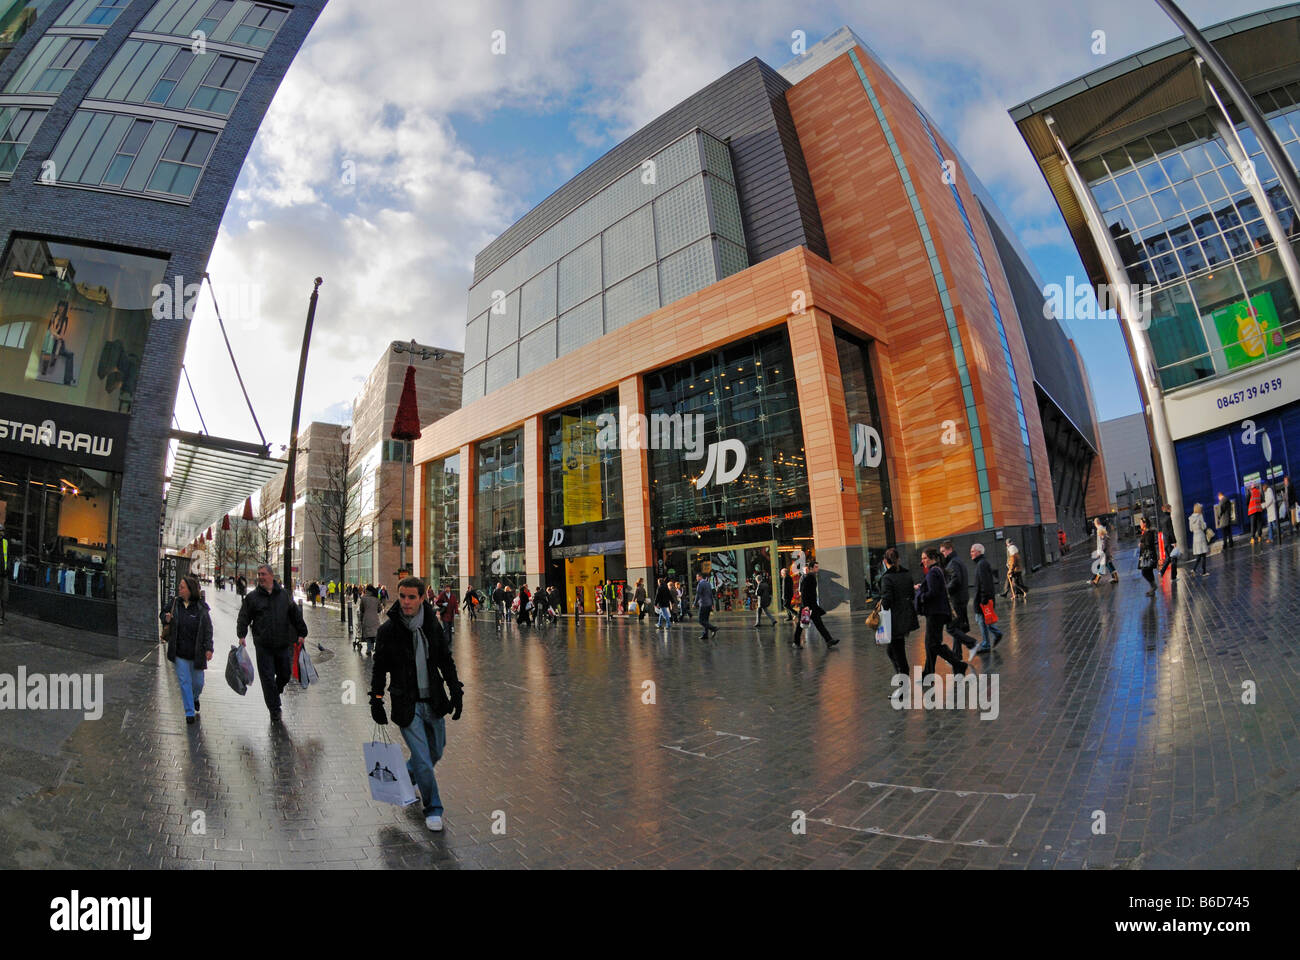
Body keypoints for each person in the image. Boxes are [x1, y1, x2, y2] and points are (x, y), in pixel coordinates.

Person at [370, 576, 464, 833]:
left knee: (436, 751)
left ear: (422, 598)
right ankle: (433, 808)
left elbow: (445, 659)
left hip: (433, 701)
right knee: (423, 759)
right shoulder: (388, 631)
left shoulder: (431, 625)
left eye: (412, 597)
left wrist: (456, 690)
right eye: (402, 596)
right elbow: (379, 668)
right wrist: (376, 700)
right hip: (406, 703)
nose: (407, 602)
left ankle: (405, 778)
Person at [235, 564, 309, 723]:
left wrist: (302, 632)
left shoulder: (284, 595)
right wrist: (241, 635)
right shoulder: (252, 598)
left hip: (282, 643)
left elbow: (295, 615)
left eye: (263, 574)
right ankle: (274, 709)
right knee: (267, 678)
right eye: (258, 574)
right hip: (263, 645)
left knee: (284, 674)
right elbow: (244, 616)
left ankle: (276, 690)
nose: (260, 577)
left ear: (271, 576)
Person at [160, 574, 213, 725]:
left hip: (197, 653)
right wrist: (166, 618)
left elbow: (208, 629)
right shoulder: (175, 603)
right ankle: (189, 712)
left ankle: (195, 698)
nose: (179, 589)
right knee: (184, 682)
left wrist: (209, 648)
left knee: (198, 683)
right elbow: (162, 614)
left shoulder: (201, 608)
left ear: (190, 590)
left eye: (182, 587)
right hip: (180, 652)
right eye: (179, 587)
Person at [916, 548, 968, 676]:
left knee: (933, 644)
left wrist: (921, 595)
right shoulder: (937, 570)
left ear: (932, 558)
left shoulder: (933, 572)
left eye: (925, 558)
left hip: (935, 613)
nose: (923, 561)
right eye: (922, 558)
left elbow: (933, 593)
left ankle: (958, 664)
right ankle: (928, 672)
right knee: (930, 643)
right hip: (938, 612)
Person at [878, 548, 916, 676]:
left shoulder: (887, 578)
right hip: (907, 615)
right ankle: (901, 677)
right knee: (892, 650)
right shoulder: (906, 574)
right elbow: (912, 594)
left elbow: (887, 601)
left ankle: (903, 683)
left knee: (898, 653)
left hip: (894, 620)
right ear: (898, 559)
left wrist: (881, 602)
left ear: (885, 561)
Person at [938, 540, 978, 656]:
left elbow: (956, 581)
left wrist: (944, 590)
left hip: (957, 600)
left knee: (951, 628)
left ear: (950, 549)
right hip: (961, 598)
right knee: (957, 628)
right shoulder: (957, 561)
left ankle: (971, 643)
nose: (943, 554)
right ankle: (957, 655)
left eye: (943, 551)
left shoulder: (953, 563)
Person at [792, 561, 837, 648]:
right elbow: (804, 592)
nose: (818, 568)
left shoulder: (811, 577)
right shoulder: (809, 577)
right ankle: (796, 642)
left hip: (811, 606)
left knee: (818, 624)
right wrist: (806, 606)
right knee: (801, 625)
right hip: (807, 606)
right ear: (811, 568)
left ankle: (829, 640)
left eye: (817, 567)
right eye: (816, 567)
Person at [969, 543, 1003, 655]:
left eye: (973, 551)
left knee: (981, 620)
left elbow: (985, 583)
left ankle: (986, 644)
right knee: (984, 621)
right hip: (983, 598)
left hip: (982, 600)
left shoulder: (981, 564)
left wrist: (983, 599)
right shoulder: (982, 563)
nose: (971, 553)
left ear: (979, 552)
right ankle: (993, 637)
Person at [1087, 517, 1118, 586]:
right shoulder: (1102, 530)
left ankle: (1095, 580)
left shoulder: (1100, 530)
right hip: (1106, 552)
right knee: (1109, 565)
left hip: (1104, 553)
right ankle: (1115, 578)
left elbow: (1102, 544)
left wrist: (1100, 552)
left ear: (1096, 523)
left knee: (1101, 566)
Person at [1137, 516, 1160, 596]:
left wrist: (1141, 545)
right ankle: (1152, 588)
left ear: (1145, 524)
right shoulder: (1145, 531)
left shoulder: (1148, 532)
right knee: (1148, 571)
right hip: (1146, 555)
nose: (1140, 524)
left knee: (1145, 572)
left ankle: (1153, 586)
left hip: (1148, 555)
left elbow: (1148, 544)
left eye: (1141, 523)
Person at [1158, 503, 1180, 583]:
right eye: (1170, 509)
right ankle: (1173, 577)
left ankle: (1161, 572)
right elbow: (1171, 530)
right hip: (1170, 541)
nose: (1171, 510)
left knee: (1168, 558)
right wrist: (1174, 541)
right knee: (1174, 558)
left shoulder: (1161, 518)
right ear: (1168, 509)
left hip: (1165, 541)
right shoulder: (1168, 518)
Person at [1188, 503, 1210, 577]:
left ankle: (1194, 569)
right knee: (1203, 555)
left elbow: (1191, 529)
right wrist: (1204, 524)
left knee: (1199, 555)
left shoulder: (1190, 518)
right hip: (1201, 536)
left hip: (1195, 537)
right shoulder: (1200, 516)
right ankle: (1203, 572)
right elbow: (1203, 527)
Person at [358, 584, 381, 655]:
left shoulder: (363, 598)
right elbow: (379, 609)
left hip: (366, 618)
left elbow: (361, 609)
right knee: (374, 634)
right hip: (375, 619)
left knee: (368, 635)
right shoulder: (376, 599)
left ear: (367, 590)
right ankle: (374, 648)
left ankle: (368, 649)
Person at [695, 573, 718, 640]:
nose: (696, 578)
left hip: (703, 604)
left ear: (700, 577)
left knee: (701, 620)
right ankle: (705, 635)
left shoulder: (700, 584)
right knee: (706, 620)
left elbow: (698, 594)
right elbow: (711, 594)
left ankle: (713, 628)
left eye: (697, 577)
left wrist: (694, 603)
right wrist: (712, 604)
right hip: (709, 604)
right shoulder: (708, 583)